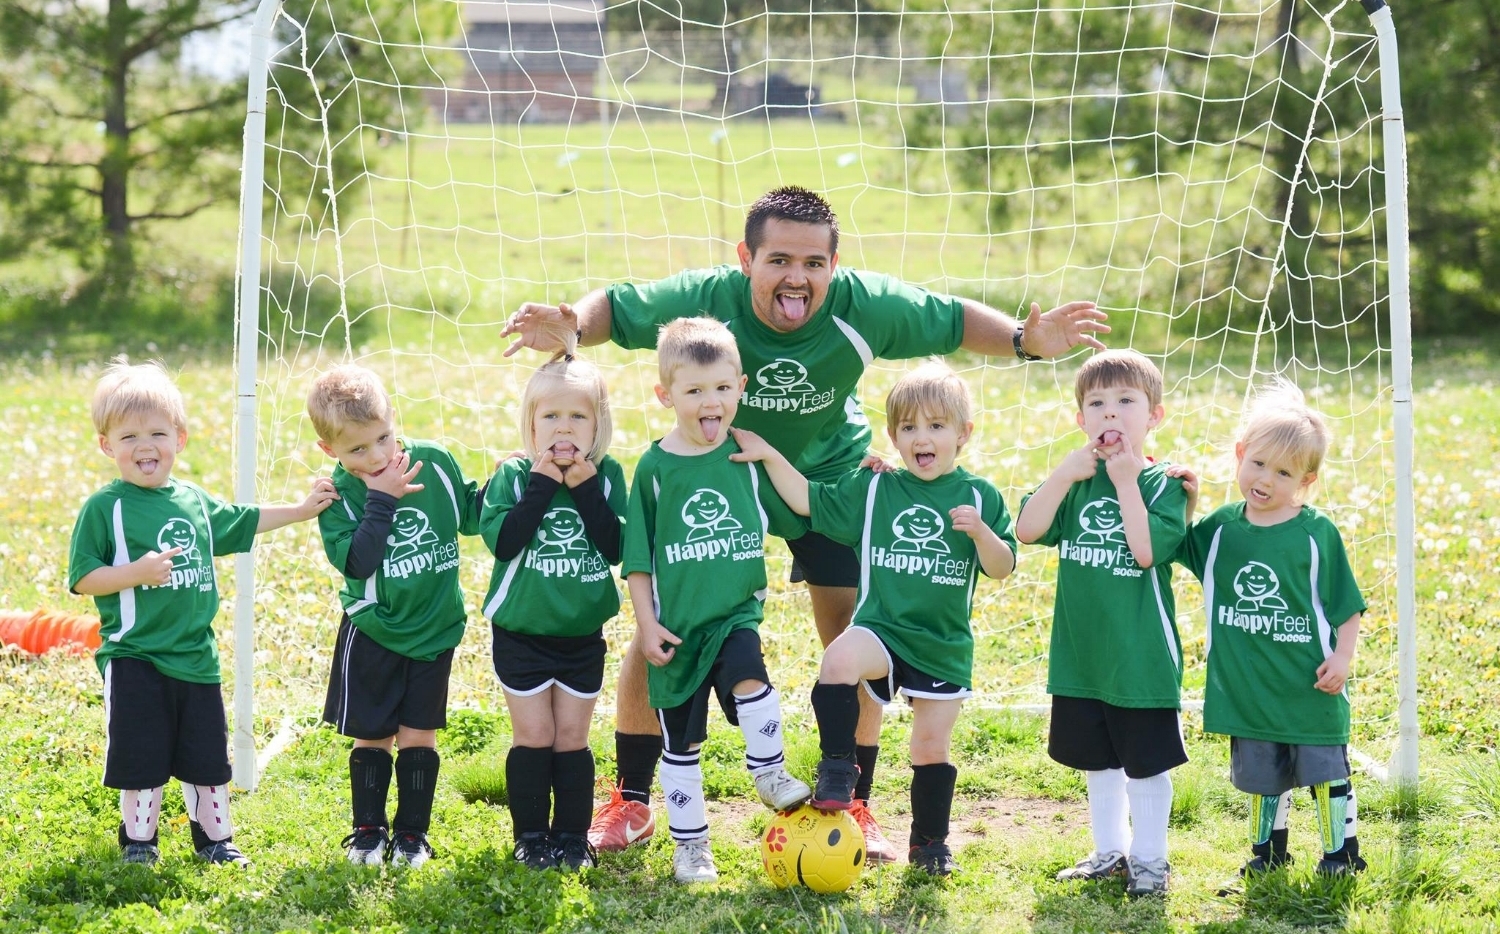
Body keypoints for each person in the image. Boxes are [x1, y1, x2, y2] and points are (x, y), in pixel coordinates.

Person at [501, 185, 1108, 860]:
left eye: (814, 263)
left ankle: (854, 800)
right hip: (719, 469)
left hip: (828, 478)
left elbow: (951, 319)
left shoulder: (862, 307)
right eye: (779, 260)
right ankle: (633, 801)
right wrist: (573, 329)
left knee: (857, 633)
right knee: (666, 627)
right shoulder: (708, 299)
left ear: (834, 266)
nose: (797, 277)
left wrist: (1026, 340)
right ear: (745, 260)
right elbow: (616, 306)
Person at [731, 360, 1017, 876]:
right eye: (908, 428)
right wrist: (770, 454)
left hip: (941, 643)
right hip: (881, 629)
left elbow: (1002, 568)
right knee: (839, 657)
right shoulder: (877, 487)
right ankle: (838, 769)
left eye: (935, 426)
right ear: (893, 435)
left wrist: (982, 535)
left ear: (964, 434)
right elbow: (808, 500)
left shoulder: (980, 497)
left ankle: (930, 843)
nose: (921, 438)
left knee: (930, 746)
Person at [68, 358, 337, 866]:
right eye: (128, 437)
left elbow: (244, 520)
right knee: (142, 756)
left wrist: (301, 510)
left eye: (156, 432)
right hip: (136, 656)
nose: (144, 446)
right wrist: (135, 573)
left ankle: (215, 840)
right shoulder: (105, 508)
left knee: (208, 758)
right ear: (107, 446)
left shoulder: (192, 501)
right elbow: (83, 579)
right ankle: (140, 843)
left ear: (180, 438)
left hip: (197, 657)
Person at [621, 317, 812, 883]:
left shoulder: (744, 458)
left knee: (751, 678)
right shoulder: (655, 469)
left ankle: (770, 772)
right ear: (666, 395)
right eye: (695, 390)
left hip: (734, 615)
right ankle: (693, 849)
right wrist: (647, 624)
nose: (713, 401)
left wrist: (859, 472)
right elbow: (637, 560)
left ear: (741, 387)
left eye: (723, 388)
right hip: (677, 630)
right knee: (680, 747)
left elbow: (801, 506)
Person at [1170, 381, 1367, 889]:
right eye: (1258, 464)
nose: (1265, 479)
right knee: (1264, 777)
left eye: (1283, 472)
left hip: (1309, 685)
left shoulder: (1315, 533)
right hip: (1249, 688)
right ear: (1240, 455)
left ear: (1306, 479)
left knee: (1325, 772)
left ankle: (1340, 855)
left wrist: (1343, 658)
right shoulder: (1219, 529)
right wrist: (1186, 503)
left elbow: (1347, 606)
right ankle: (1267, 854)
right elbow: (1178, 549)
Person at [1014, 349, 1188, 897]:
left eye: (1126, 402)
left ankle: (1151, 862)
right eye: (1097, 403)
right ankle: (1110, 851)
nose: (1110, 414)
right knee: (1100, 760)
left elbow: (1143, 551)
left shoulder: (1168, 485)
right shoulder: (1076, 481)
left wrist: (1128, 482)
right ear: (1080, 419)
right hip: (1083, 654)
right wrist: (1066, 472)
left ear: (1154, 415)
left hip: (1139, 657)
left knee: (1144, 762)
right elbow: (1026, 528)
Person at [308, 364, 482, 869]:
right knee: (374, 733)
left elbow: (470, 514)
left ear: (394, 418)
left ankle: (412, 835)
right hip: (376, 629)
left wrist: (507, 481)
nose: (379, 456)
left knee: (419, 734)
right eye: (358, 449)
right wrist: (382, 499)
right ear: (331, 451)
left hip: (435, 627)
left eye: (383, 438)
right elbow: (358, 561)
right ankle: (367, 831)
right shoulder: (336, 497)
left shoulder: (434, 463)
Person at [478, 349, 626, 871]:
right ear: (532, 423)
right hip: (522, 631)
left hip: (582, 633)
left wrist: (584, 489)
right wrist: (542, 485)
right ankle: (531, 837)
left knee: (572, 739)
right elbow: (504, 541)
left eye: (578, 416)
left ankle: (570, 837)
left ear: (597, 424)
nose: (564, 428)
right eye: (551, 416)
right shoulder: (515, 476)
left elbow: (614, 547)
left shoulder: (606, 477)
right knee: (535, 737)